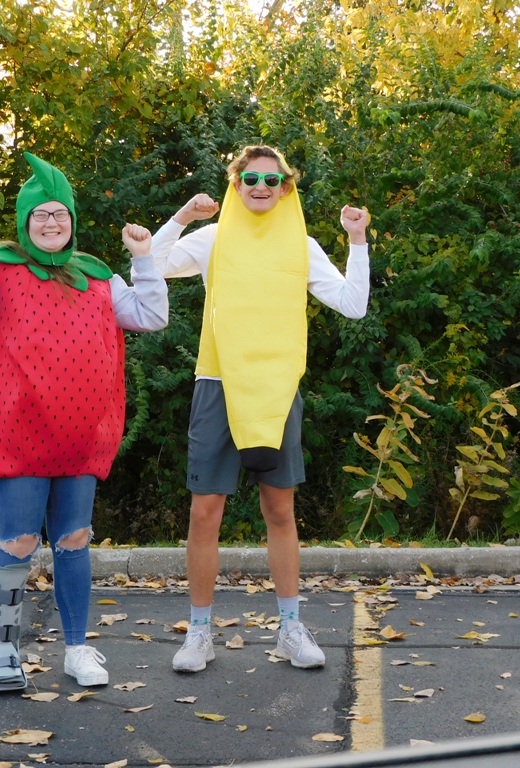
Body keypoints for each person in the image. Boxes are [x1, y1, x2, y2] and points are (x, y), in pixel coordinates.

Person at [0, 152, 168, 692]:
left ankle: (77, 649)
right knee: (18, 541)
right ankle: (1, 652)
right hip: (17, 436)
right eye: (41, 214)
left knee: (75, 539)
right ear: (24, 221)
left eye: (61, 214)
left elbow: (151, 316)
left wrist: (144, 259)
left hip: (80, 435)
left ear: (73, 221)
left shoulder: (96, 275)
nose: (52, 222)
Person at [150, 145, 370, 673]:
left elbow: (353, 304)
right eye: (250, 178)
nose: (261, 186)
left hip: (275, 391)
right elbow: (151, 266)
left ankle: (290, 629)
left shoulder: (301, 244)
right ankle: (199, 633)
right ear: (236, 184)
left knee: (280, 512)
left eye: (272, 180)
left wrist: (357, 240)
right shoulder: (215, 237)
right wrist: (183, 216)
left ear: (286, 187)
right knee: (205, 513)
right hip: (217, 384)